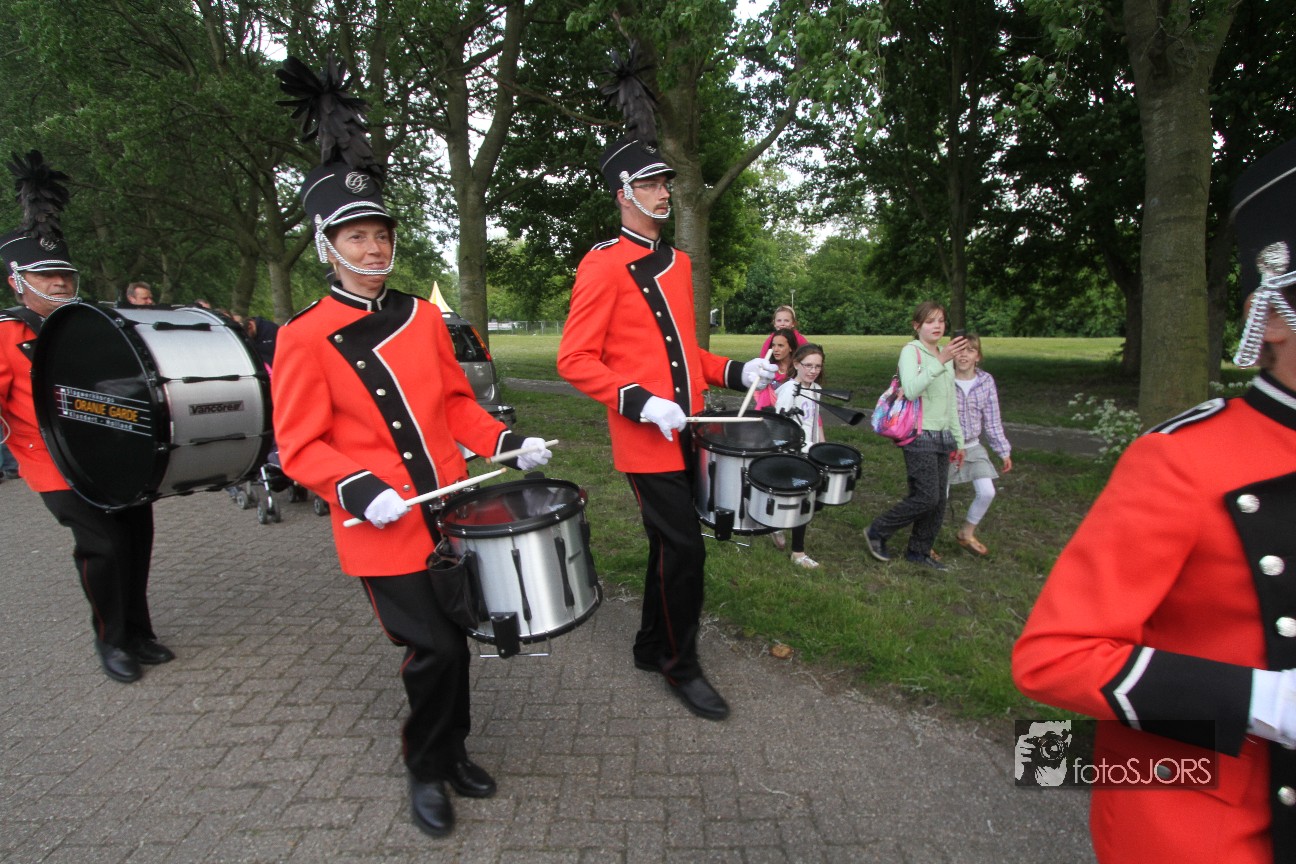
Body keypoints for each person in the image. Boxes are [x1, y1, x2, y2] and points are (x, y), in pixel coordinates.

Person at [271, 55, 552, 839]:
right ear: (328, 245)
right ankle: (425, 766)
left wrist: (506, 440)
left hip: (449, 512)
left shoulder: (424, 318)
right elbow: (299, 445)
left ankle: (452, 750)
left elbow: (456, 404)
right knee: (432, 649)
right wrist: (359, 488)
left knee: (455, 640)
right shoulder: (302, 337)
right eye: (356, 236)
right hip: (381, 526)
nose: (372, 248)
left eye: (380, 234)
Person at [1013, 139, 1296, 864]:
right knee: (1047, 758)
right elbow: (1050, 657)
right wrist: (1264, 702)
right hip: (1206, 814)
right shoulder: (1184, 458)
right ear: (1270, 316)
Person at [557, 122, 775, 722]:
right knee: (685, 549)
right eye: (651, 184)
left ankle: (651, 646)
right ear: (624, 192)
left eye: (665, 183)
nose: (663, 193)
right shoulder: (602, 265)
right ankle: (681, 665)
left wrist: (736, 370)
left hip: (690, 429)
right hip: (643, 436)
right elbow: (574, 359)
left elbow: (683, 353)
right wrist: (640, 401)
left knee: (667, 544)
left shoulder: (678, 263)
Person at [0, 151, 171, 683]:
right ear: (16, 281)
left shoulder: (93, 324)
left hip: (113, 452)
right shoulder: (4, 334)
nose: (59, 284)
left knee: (136, 538)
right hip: (52, 462)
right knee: (102, 545)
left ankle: (139, 632)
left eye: (64, 275)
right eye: (46, 275)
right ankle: (111, 639)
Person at [864, 301, 967, 570]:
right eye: (930, 321)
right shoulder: (912, 352)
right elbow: (910, 390)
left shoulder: (943, 353)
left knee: (939, 501)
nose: (937, 326)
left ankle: (918, 552)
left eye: (941, 321)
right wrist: (940, 362)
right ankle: (878, 530)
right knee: (926, 496)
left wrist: (958, 441)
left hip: (943, 436)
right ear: (917, 325)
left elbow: (950, 402)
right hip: (919, 435)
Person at [947, 334, 1011, 556]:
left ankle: (966, 533)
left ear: (978, 357)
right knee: (937, 498)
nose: (964, 355)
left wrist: (1003, 451)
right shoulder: (944, 378)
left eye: (970, 350)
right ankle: (924, 541)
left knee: (987, 492)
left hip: (973, 446)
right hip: (947, 448)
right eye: (960, 350)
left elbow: (992, 421)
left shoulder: (985, 381)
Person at [774, 343, 827, 568]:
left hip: (811, 450)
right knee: (804, 501)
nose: (813, 371)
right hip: (795, 453)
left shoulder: (816, 388)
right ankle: (798, 553)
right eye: (808, 365)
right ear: (796, 364)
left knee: (815, 499)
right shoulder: (788, 391)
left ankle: (776, 524)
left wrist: (821, 446)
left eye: (817, 366)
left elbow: (815, 420)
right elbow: (780, 425)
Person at [753, 327, 797, 412]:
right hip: (768, 412)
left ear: (791, 348)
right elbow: (758, 393)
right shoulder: (768, 368)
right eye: (773, 345)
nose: (775, 349)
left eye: (780, 346)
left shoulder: (798, 369)